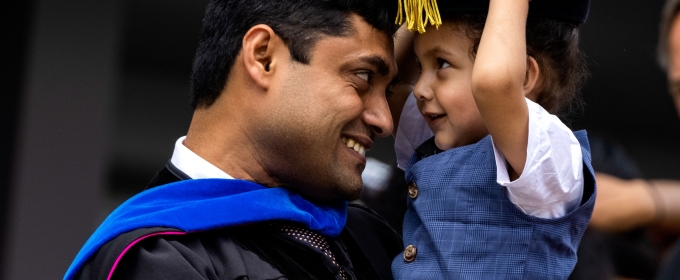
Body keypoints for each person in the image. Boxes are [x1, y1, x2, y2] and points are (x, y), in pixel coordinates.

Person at [63, 0, 404, 279]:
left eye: (387, 92)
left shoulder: (371, 240)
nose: (385, 121)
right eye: (363, 77)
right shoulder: (157, 261)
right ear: (263, 57)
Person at [387, 0, 596, 278]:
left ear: (521, 74)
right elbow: (385, 83)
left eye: (442, 64)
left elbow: (493, 84)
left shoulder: (550, 158)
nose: (420, 89)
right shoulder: (443, 135)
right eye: (419, 65)